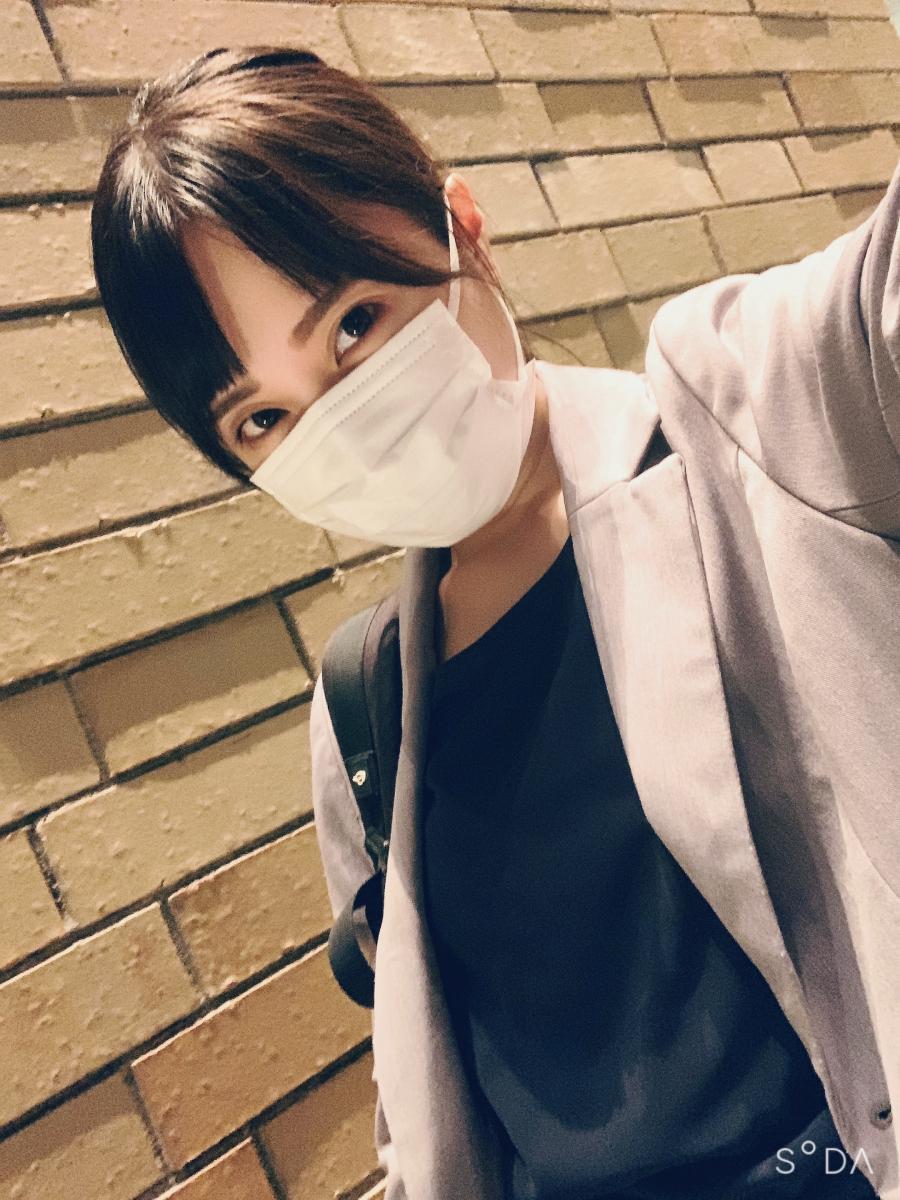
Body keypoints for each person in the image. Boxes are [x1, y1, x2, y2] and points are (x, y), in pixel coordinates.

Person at [90, 45, 899, 1200]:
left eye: (355, 323)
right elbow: (437, 1093)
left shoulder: (756, 425)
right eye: (262, 417)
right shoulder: (367, 705)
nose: (343, 419)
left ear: (464, 229)